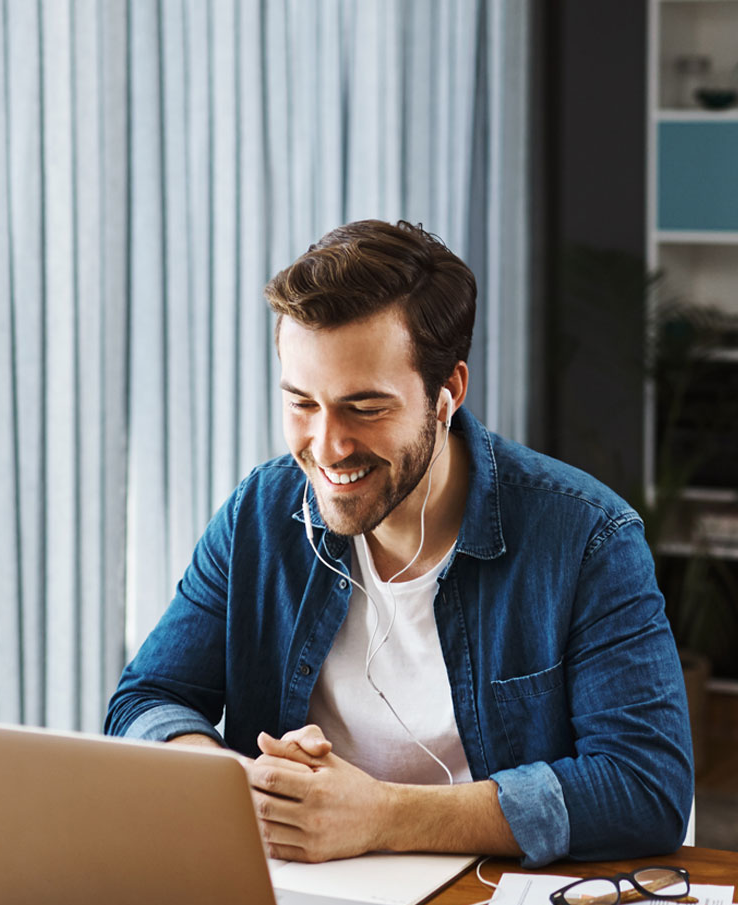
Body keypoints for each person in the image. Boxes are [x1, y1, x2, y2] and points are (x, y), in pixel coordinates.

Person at [105, 220, 690, 867]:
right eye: (302, 403)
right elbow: (146, 698)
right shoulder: (259, 515)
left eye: (365, 408)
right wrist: (231, 782)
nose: (327, 448)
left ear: (448, 394)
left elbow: (645, 787)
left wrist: (383, 815)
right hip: (301, 901)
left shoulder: (587, 538)